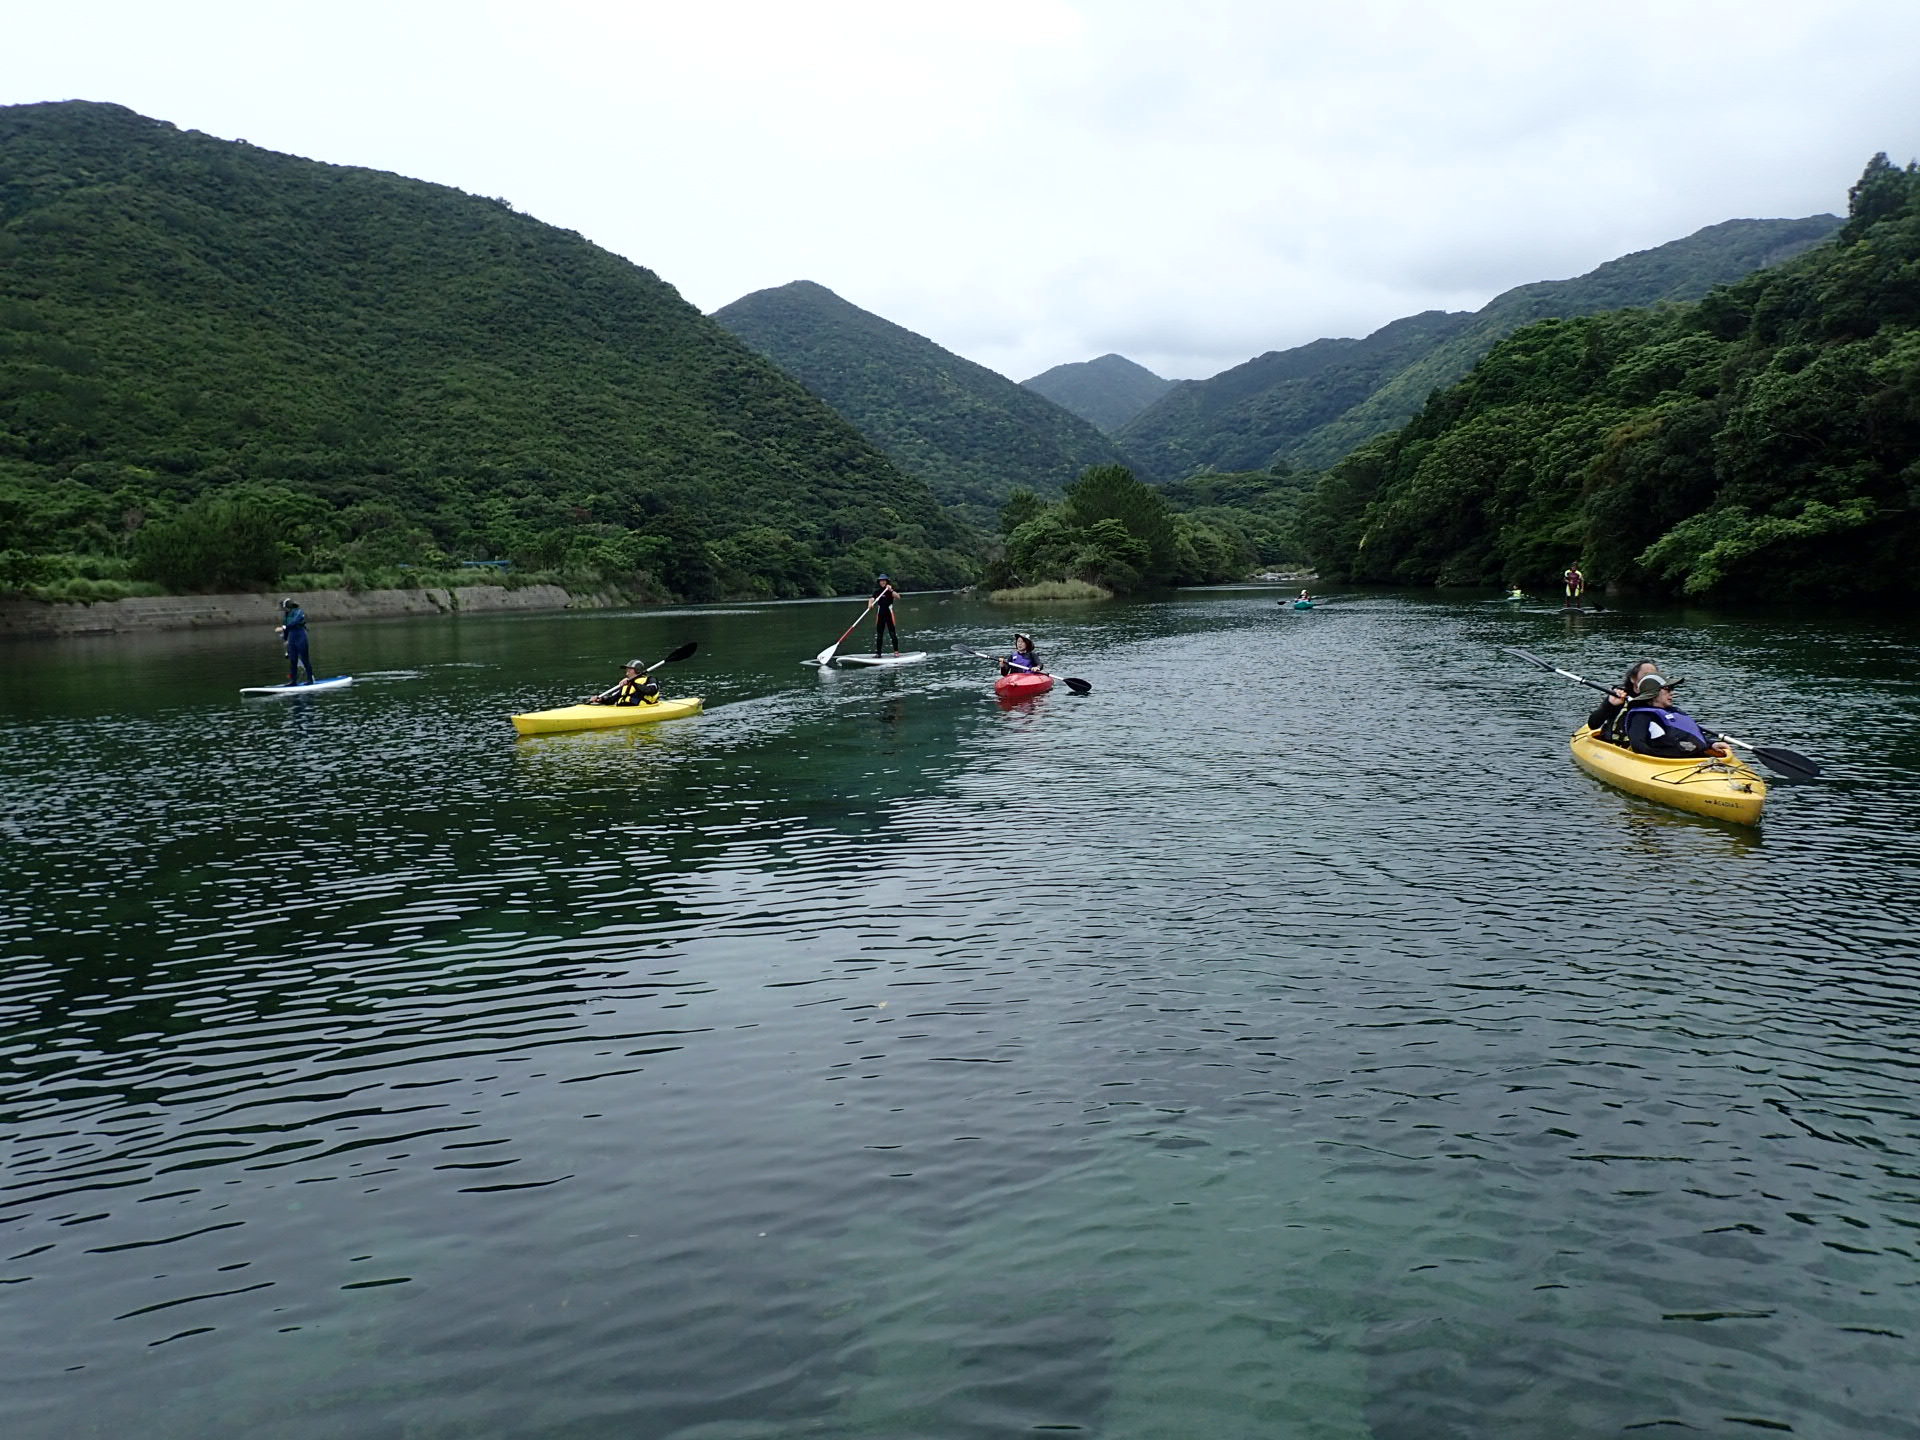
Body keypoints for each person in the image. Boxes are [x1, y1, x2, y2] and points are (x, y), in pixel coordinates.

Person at [1618, 674, 1727, 759]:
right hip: (1665, 763)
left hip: (1690, 759)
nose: (1672, 693)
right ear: (1653, 693)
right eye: (1668, 689)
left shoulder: (1673, 712)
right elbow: (1638, 746)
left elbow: (1689, 735)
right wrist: (1666, 757)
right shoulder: (1641, 716)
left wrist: (1711, 744)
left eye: (1672, 689)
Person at [1586, 659, 1659, 739]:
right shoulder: (1619, 696)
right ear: (1633, 678)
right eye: (1645, 675)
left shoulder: (1660, 699)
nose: (1649, 679)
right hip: (1611, 743)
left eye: (1653, 676)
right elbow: (1593, 724)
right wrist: (1609, 704)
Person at [585, 660, 660, 707]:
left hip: (640, 709)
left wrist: (632, 682)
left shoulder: (650, 680)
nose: (627, 671)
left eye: (629, 669)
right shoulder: (626, 684)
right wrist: (600, 699)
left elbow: (651, 691)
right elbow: (612, 700)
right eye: (627, 669)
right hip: (623, 709)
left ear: (637, 670)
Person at [277, 598, 315, 685]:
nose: (283, 610)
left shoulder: (299, 612)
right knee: (293, 660)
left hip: (301, 637)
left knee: (305, 659)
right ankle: (293, 681)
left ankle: (310, 680)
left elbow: (294, 622)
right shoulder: (286, 615)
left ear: (287, 606)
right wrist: (285, 640)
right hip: (292, 638)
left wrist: (283, 628)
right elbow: (286, 630)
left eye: (284, 608)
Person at [872, 573, 901, 656]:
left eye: (884, 581)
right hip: (880, 614)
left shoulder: (889, 591)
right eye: (881, 581)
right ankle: (878, 653)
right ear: (879, 582)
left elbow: (898, 597)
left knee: (892, 633)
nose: (882, 582)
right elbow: (872, 598)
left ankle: (896, 652)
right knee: (879, 635)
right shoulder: (877, 591)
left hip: (889, 614)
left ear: (887, 581)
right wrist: (870, 604)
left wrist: (890, 590)